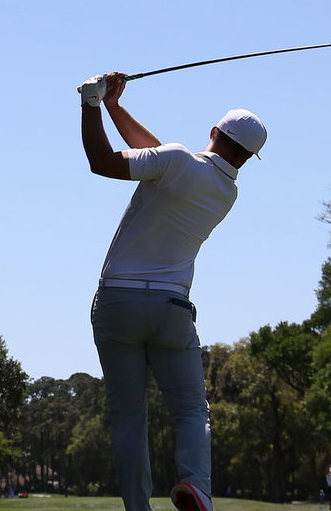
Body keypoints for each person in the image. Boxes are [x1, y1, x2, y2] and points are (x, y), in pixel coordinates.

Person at [78, 71, 265, 511]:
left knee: (128, 415)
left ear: (214, 132)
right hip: (170, 308)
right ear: (247, 156)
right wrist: (115, 107)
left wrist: (90, 104)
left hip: (118, 302)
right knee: (190, 410)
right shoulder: (225, 191)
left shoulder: (177, 162)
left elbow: (104, 162)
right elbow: (159, 156)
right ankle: (196, 486)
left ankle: (138, 507)